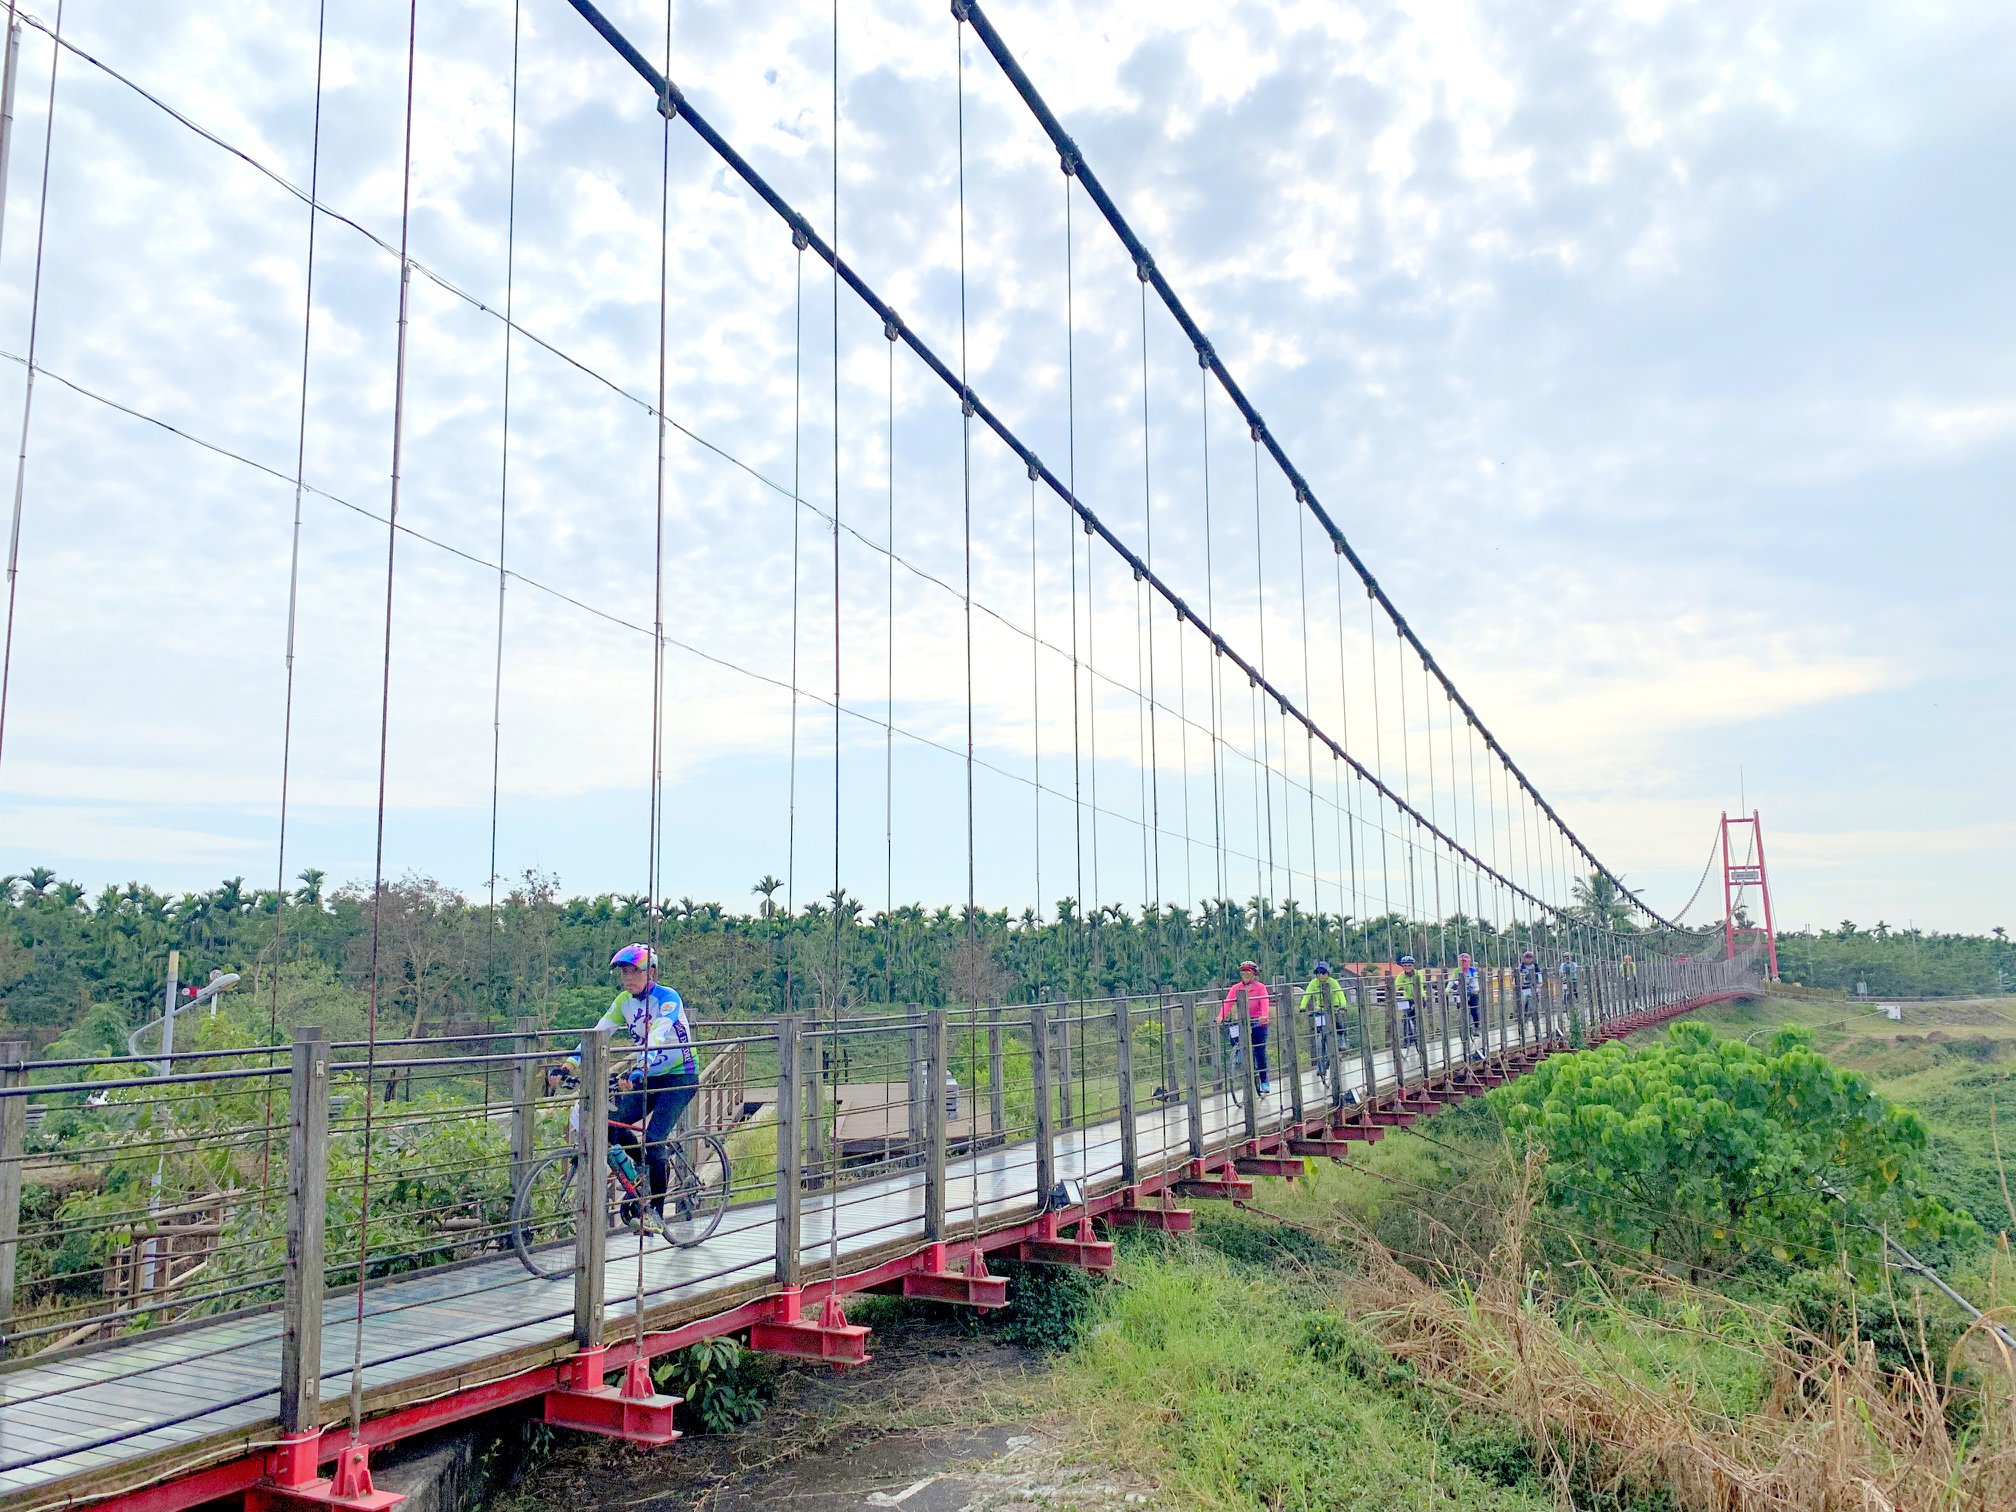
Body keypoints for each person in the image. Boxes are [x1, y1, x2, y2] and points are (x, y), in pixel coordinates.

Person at [559, 944, 701, 1216]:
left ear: (652, 973)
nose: (628, 978)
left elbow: (657, 1034)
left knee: (654, 1140)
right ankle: (644, 1170)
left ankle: (655, 1213)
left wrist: (641, 1067)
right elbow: (599, 1032)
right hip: (646, 1076)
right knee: (611, 1127)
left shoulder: (668, 998)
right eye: (624, 972)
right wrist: (569, 1064)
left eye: (635, 971)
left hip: (680, 1076)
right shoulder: (623, 1001)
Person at [1219, 960, 1272, 1095]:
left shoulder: (1260, 988)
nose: (1245, 974)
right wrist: (1220, 1016)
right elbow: (1228, 1003)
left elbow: (1265, 1003)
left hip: (1258, 1022)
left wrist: (1264, 1015)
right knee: (1234, 1034)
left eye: (1248, 971)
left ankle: (1264, 1080)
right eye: (1243, 971)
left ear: (1254, 974)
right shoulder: (1236, 988)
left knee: (1259, 1050)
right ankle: (1238, 1054)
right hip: (1242, 1021)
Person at [1300, 960, 1348, 1077]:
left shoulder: (1333, 982)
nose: (1321, 975)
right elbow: (1307, 995)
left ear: (1328, 973)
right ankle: (1321, 1065)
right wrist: (1302, 1007)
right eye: (1318, 973)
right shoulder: (1313, 983)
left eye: (1323, 973)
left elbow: (1340, 994)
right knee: (1321, 1037)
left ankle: (1341, 1040)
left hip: (1333, 1008)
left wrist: (1343, 1005)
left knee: (1338, 1023)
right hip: (1320, 1010)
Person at [1391, 955, 1426, 1054]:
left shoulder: (1418, 974)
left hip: (1419, 998)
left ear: (1413, 966)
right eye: (1405, 966)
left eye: (1409, 965)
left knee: (1416, 1016)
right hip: (1408, 999)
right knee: (1405, 1017)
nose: (1407, 967)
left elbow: (1419, 985)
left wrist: (1417, 1000)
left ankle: (1419, 1033)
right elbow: (1396, 986)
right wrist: (1392, 995)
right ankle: (1407, 1038)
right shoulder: (1401, 975)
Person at [1455, 951, 1482, 1039]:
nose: (1463, 963)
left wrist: (1476, 988)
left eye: (1465, 961)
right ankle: (1462, 1025)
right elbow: (1452, 981)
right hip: (1461, 993)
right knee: (1461, 1008)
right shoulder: (1457, 970)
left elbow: (1475, 980)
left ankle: (1476, 1027)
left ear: (1469, 962)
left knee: (1474, 1010)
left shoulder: (1472, 970)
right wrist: (1449, 988)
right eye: (1461, 961)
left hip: (1472, 992)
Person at [1516, 949, 1542, 1027]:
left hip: (1534, 988)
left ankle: (1535, 1021)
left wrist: (1540, 983)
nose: (1528, 959)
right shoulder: (1521, 966)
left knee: (1534, 1005)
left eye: (1530, 957)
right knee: (1524, 1004)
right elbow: (1517, 976)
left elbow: (1539, 975)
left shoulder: (1535, 966)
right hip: (1524, 988)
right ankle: (1524, 1021)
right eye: (1526, 957)